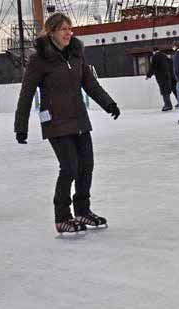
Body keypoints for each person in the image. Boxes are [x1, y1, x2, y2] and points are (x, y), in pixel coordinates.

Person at [14, 13, 120, 234]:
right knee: (69, 167)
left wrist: (109, 104)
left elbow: (90, 84)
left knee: (86, 166)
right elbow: (26, 93)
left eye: (70, 28)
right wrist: (20, 126)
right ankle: (62, 216)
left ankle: (83, 210)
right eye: (63, 29)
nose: (68, 33)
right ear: (51, 32)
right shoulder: (39, 59)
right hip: (55, 120)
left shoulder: (76, 54)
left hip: (79, 118)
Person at [146, 47, 175, 112]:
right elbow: (171, 64)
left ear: (154, 51)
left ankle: (167, 105)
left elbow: (152, 66)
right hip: (168, 76)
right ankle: (168, 105)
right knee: (167, 90)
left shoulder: (155, 57)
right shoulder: (165, 56)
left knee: (164, 91)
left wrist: (148, 75)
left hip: (161, 76)